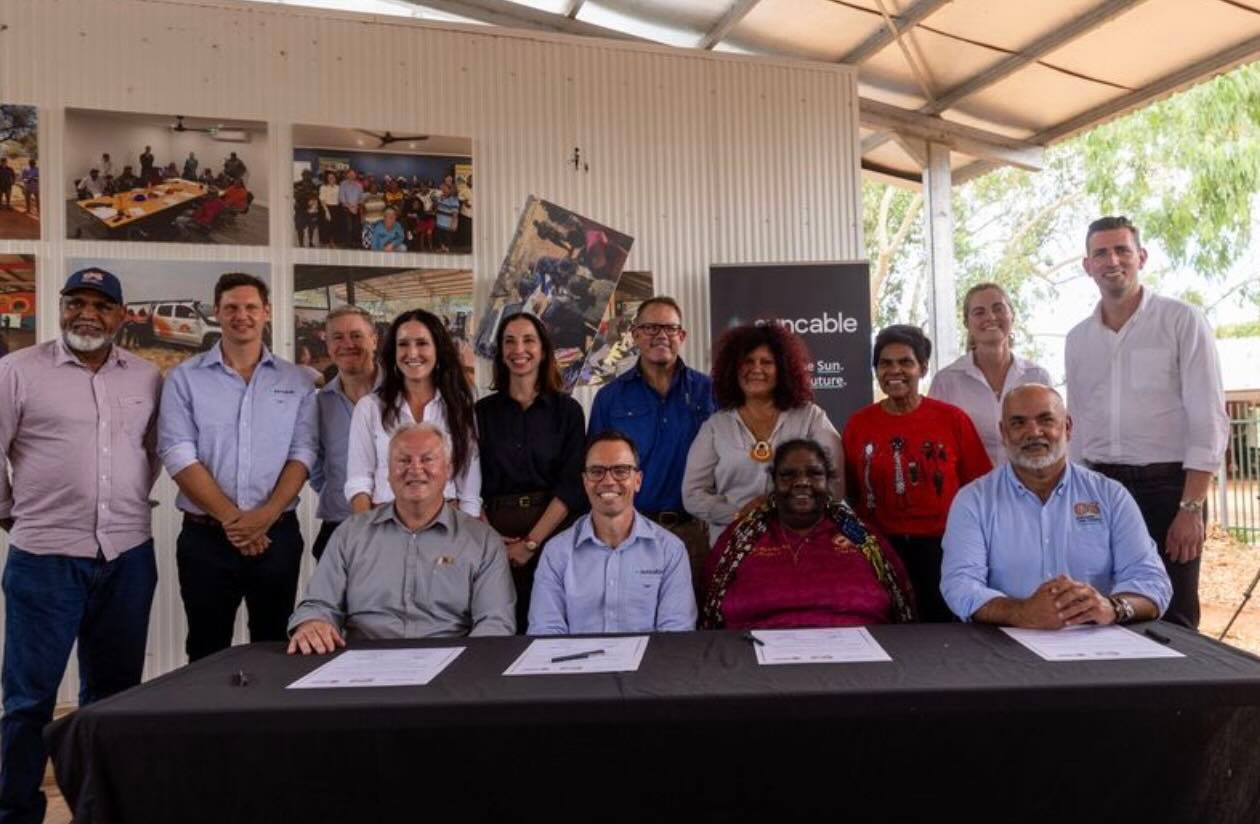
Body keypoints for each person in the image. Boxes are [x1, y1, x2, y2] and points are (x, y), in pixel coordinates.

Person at [0, 269, 160, 824]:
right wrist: (10, 513)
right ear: (62, 306)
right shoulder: (18, 371)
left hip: (127, 556)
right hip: (44, 559)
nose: (87, 313)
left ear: (121, 315)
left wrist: (124, 503)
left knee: (114, 697)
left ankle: (101, 811)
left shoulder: (146, 376)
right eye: (76, 302)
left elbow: (152, 452)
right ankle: (15, 813)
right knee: (28, 700)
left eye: (101, 305)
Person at [1065, 216, 1228, 629]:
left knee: (1172, 614)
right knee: (1100, 608)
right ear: (1087, 265)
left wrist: (1190, 508)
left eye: (1122, 250)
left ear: (1142, 257)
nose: (1112, 260)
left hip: (1168, 490)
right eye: (1101, 253)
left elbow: (1208, 417)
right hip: (1099, 490)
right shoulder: (1078, 338)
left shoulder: (1182, 320)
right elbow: (1077, 426)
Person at [158, 272, 318, 662]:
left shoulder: (297, 380)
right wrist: (235, 520)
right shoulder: (184, 379)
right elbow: (177, 453)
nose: (241, 316)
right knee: (206, 650)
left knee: (276, 647)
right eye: (231, 307)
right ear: (216, 312)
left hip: (277, 536)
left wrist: (266, 516)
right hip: (206, 539)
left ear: (267, 312)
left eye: (250, 307)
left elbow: (303, 452)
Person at [941, 384, 1172, 627]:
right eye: (1018, 423)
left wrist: (1113, 607)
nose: (1034, 432)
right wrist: (1021, 613)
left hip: (1098, 641)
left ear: (1068, 427)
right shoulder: (973, 501)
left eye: (1046, 420)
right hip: (1004, 642)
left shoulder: (1111, 496)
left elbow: (1152, 581)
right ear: (1004, 433)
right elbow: (960, 585)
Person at [288, 422, 515, 653]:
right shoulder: (350, 534)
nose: (415, 469)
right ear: (387, 472)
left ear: (448, 470)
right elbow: (318, 605)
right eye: (403, 460)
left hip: (450, 664)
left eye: (427, 459)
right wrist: (313, 623)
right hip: (363, 661)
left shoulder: (482, 541)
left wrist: (463, 665)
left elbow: (495, 623)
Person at [841, 324, 992, 622]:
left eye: (905, 362)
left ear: (922, 368)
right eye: (885, 363)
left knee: (941, 635)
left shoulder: (952, 419)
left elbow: (979, 488)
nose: (894, 370)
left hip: (943, 550)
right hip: (880, 550)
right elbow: (850, 492)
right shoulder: (859, 424)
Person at [701, 439, 913, 629]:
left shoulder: (861, 535)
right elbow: (708, 601)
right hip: (752, 653)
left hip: (860, 653)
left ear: (827, 480)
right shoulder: (741, 537)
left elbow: (900, 598)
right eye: (788, 474)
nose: (802, 482)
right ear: (774, 481)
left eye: (814, 474)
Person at [588, 297, 714, 592]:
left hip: (695, 534)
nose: (661, 335)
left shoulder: (709, 391)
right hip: (631, 534)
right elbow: (595, 472)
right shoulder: (610, 398)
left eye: (670, 328)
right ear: (635, 334)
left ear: (682, 336)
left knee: (694, 617)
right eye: (650, 328)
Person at [684, 322, 842, 545]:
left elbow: (835, 484)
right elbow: (692, 494)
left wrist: (793, 513)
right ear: (733, 368)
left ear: (783, 369)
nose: (756, 369)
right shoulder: (716, 426)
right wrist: (737, 514)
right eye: (748, 362)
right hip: (734, 545)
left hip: (801, 544)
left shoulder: (810, 418)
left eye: (767, 362)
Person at [476, 312, 586, 630]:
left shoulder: (568, 411)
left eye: (528, 340)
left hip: (554, 533)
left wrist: (531, 543)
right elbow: (468, 483)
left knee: (552, 626)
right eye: (509, 341)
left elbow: (571, 483)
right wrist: (493, 542)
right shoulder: (481, 413)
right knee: (500, 627)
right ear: (500, 352)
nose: (518, 349)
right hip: (493, 536)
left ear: (543, 350)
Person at [528, 430, 696, 634]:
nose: (608, 481)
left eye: (621, 470)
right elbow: (545, 631)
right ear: (585, 481)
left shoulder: (671, 550)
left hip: (651, 656)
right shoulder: (556, 552)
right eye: (596, 471)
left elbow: (675, 633)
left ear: (638, 480)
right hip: (574, 657)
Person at [346, 308, 481, 516]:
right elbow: (359, 481)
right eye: (403, 344)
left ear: (438, 349)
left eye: (422, 343)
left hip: (448, 521)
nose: (412, 353)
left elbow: (469, 482)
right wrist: (367, 528)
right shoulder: (369, 408)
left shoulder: (460, 406)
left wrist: (465, 528)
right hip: (386, 521)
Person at [929, 282, 1051, 466]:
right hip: (972, 483)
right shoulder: (946, 382)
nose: (991, 317)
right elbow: (936, 449)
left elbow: (1053, 439)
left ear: (1012, 315)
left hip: (1031, 481)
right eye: (979, 312)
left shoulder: (1038, 377)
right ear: (967, 323)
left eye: (998, 308)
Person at [310, 305, 379, 562]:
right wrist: (337, 492)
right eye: (337, 337)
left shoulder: (401, 394)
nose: (347, 344)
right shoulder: (319, 403)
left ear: (374, 340)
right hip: (337, 526)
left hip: (395, 526)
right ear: (328, 345)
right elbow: (315, 464)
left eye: (356, 335)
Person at [338, 168, 364, 248]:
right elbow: (341, 198)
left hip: (356, 208)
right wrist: (350, 207)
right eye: (350, 174)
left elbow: (361, 198)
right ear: (347, 175)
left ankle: (355, 244)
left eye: (353, 174)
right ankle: (348, 244)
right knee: (349, 228)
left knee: (356, 228)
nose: (351, 176)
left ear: (355, 175)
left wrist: (356, 206)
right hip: (346, 209)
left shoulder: (359, 185)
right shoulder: (343, 184)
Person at [318, 170, 339, 248]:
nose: (332, 179)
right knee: (327, 226)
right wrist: (327, 211)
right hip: (327, 207)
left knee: (334, 226)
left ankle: (332, 242)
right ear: (327, 179)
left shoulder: (338, 187)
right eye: (330, 178)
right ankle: (326, 243)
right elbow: (322, 200)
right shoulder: (323, 187)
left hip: (336, 208)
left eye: (333, 178)